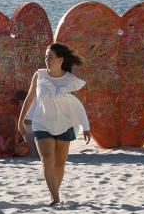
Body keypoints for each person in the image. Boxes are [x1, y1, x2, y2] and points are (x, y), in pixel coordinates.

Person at [17, 43, 92, 205]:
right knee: (47, 159)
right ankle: (56, 198)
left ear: (60, 60)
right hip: (42, 123)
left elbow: (77, 104)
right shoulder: (39, 75)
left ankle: (54, 193)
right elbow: (30, 98)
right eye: (45, 57)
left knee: (59, 163)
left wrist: (86, 127)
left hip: (65, 125)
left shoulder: (70, 80)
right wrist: (21, 120)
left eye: (50, 57)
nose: (46, 60)